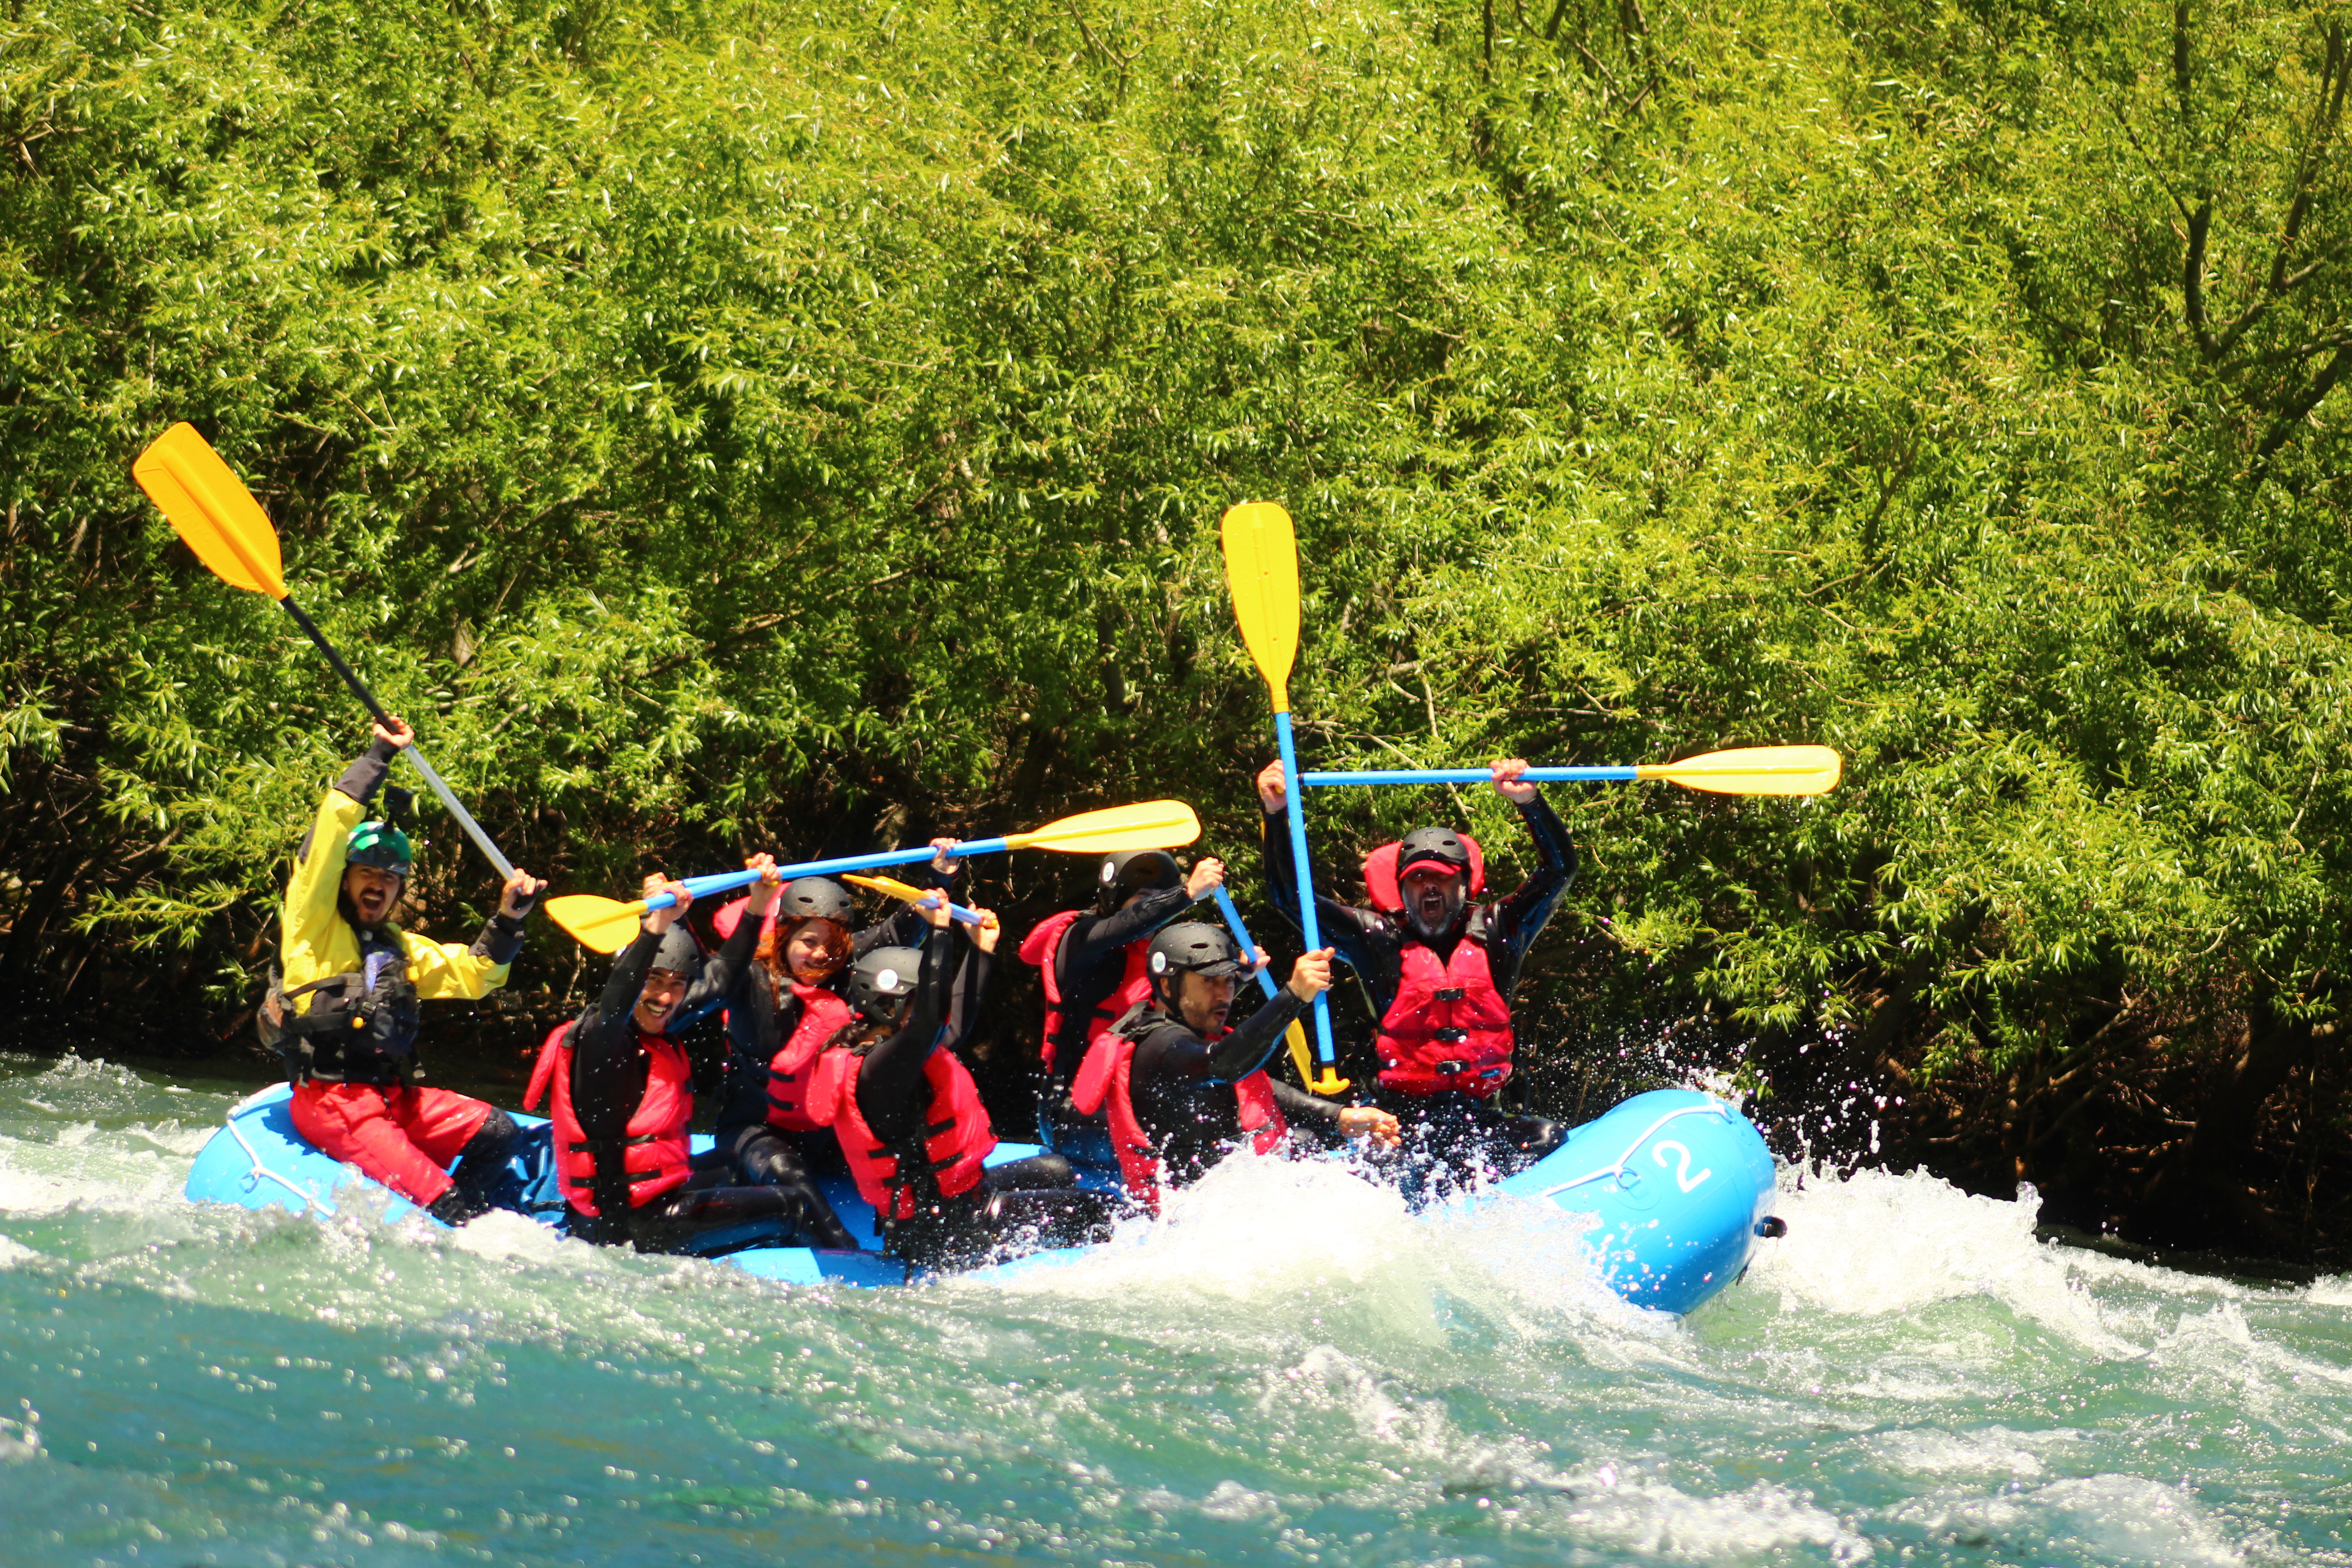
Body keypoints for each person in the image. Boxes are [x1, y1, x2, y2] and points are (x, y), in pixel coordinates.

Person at [262, 718, 546, 1224]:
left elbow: (476, 974)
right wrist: (378, 756)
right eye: (367, 873)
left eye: (390, 878)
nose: (378, 884)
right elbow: (327, 840)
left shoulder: (398, 949)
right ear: (344, 879)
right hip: (334, 1104)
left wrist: (509, 919)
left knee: (499, 1132)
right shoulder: (313, 927)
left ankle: (475, 1215)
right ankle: (454, 1215)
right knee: (448, 1205)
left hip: (392, 1096)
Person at [1258, 756, 1574, 1181]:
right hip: (1401, 1125)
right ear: (1402, 890)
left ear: (1464, 884)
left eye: (1441, 879)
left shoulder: (1502, 930)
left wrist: (1530, 803)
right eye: (1417, 879)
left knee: (1549, 1137)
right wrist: (1276, 815)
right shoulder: (1376, 939)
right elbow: (1289, 898)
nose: (1429, 888)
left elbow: (1559, 871)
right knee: (1382, 1172)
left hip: (1481, 1118)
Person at [524, 863, 852, 1254]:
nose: (666, 998)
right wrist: (655, 927)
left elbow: (722, 980)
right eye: (654, 981)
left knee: (730, 1164)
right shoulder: (602, 1038)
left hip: (635, 1206)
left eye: (677, 985)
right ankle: (849, 1264)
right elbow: (617, 1003)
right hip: (631, 1228)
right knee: (795, 1206)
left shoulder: (653, 1035)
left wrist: (759, 903)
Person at [808, 894, 1117, 1269]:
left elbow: (951, 1026)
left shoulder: (888, 1050)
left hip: (959, 1199)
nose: (930, 1010)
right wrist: (940, 932)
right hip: (949, 1231)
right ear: (888, 1008)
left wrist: (980, 950)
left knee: (1059, 1170)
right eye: (918, 1001)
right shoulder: (880, 1071)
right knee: (1104, 1211)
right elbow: (931, 1021)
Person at [1073, 923, 1402, 1213]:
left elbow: (1250, 1084)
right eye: (1208, 982)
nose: (1224, 994)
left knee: (1315, 1146)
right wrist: (1293, 996)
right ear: (1168, 987)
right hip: (1186, 1221)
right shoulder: (1161, 1047)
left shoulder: (1190, 1034)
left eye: (1229, 981)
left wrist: (1338, 1116)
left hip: (1232, 1204)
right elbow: (1227, 1064)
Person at [705, 840, 964, 1203]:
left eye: (832, 945)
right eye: (809, 942)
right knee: (790, 1175)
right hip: (757, 1130)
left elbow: (902, 929)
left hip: (825, 1133)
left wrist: (940, 875)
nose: (822, 955)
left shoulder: (842, 966)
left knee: (904, 1160)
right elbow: (707, 976)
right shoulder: (749, 980)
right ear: (784, 937)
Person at [1019, 849, 1227, 1157]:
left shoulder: (1156, 958)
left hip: (1133, 1105)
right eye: (1143, 896)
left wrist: (1240, 976)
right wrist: (1185, 894)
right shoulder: (1082, 939)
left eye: (1159, 897)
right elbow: (1123, 926)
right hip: (1075, 1115)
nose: (1152, 904)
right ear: (1116, 898)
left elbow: (1191, 1009)